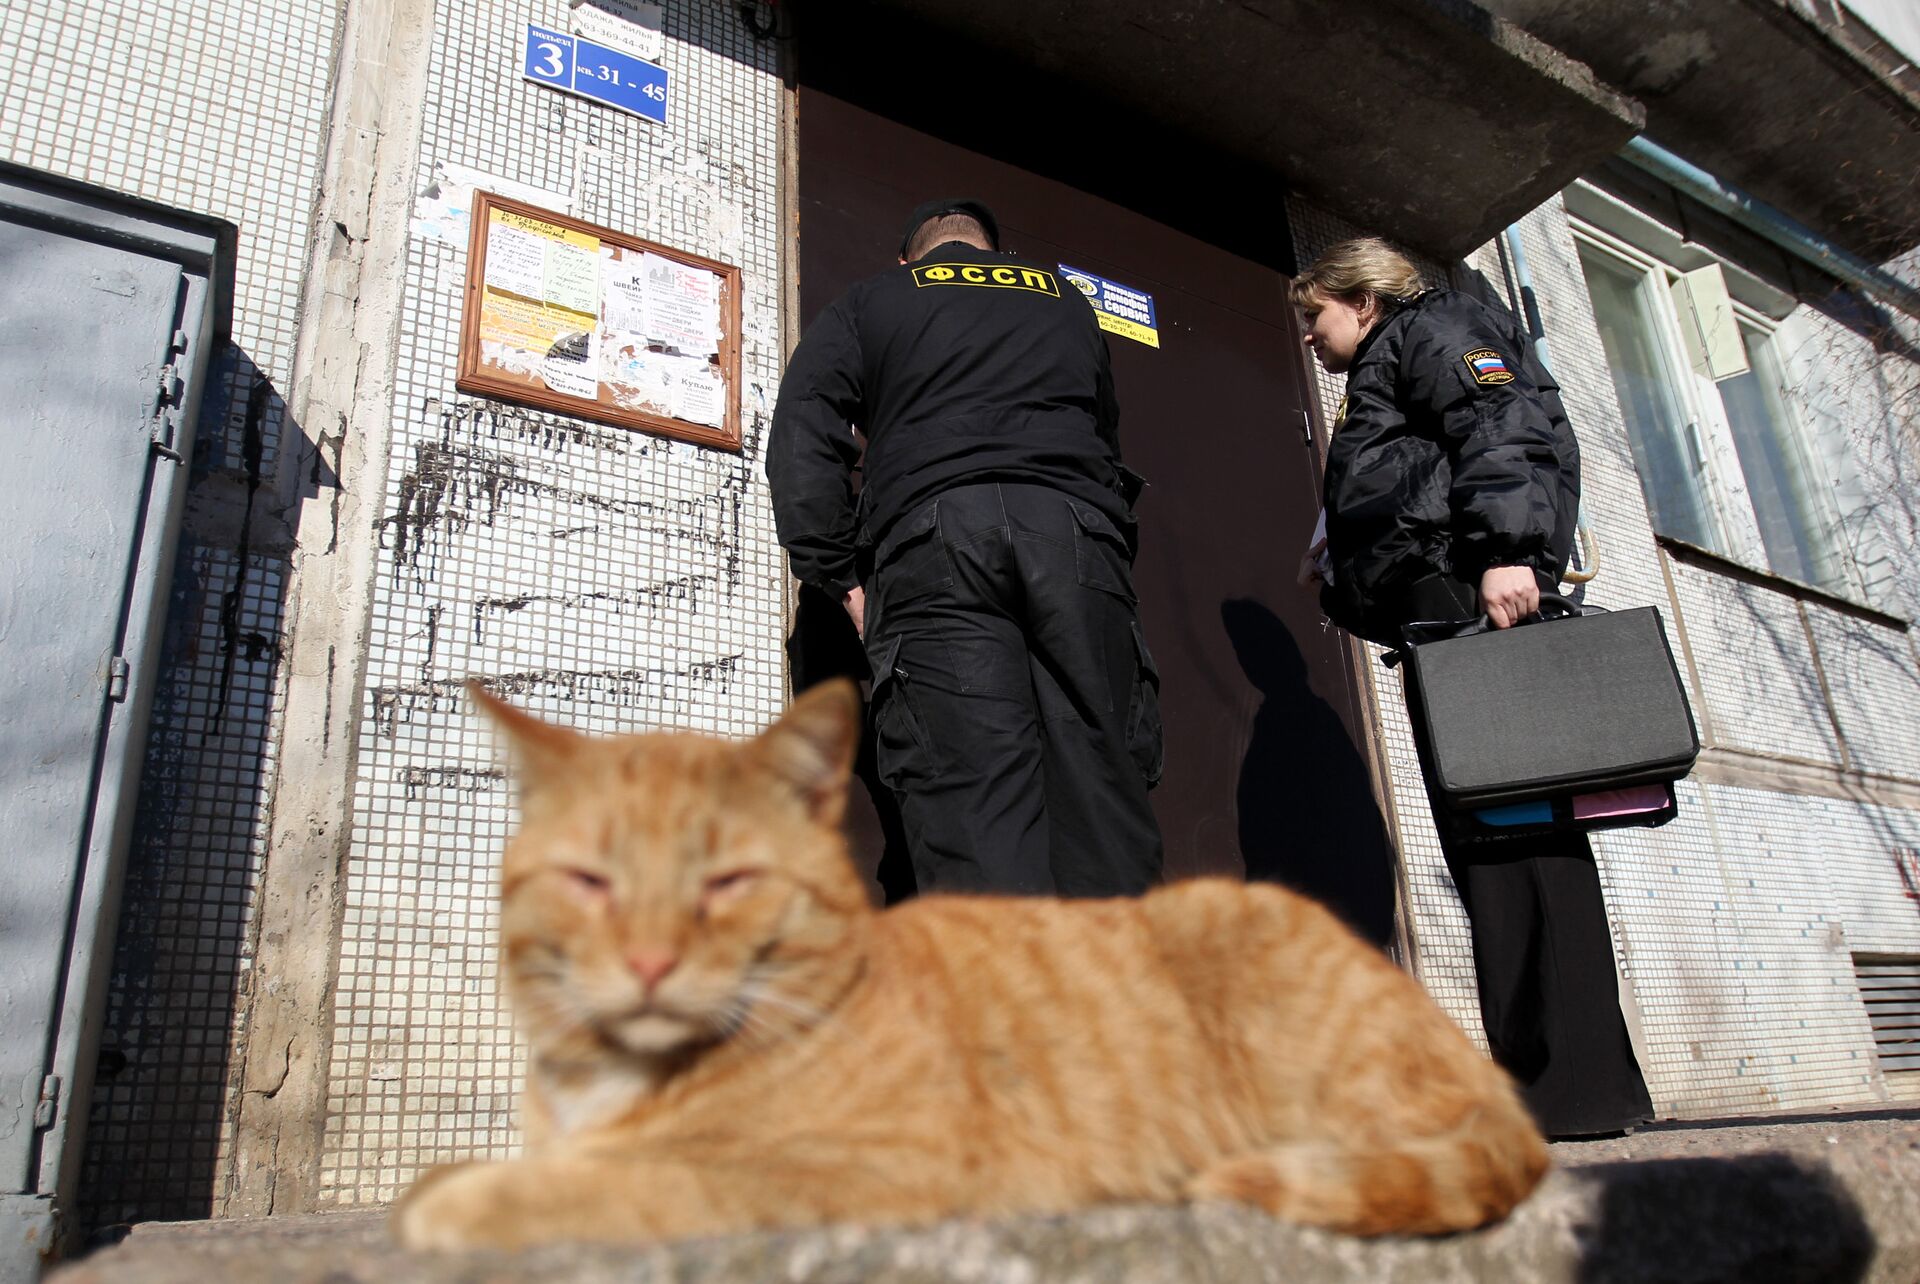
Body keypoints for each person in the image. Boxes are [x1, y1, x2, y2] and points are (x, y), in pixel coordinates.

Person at [1295, 236, 1654, 1139]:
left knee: (1518, 841)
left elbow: (1504, 428)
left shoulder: (1437, 327)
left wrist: (1505, 553)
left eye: (1316, 314)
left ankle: (1562, 1090)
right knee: (1497, 840)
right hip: (1443, 619)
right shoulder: (1389, 364)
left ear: (1364, 300)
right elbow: (1414, 485)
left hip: (1472, 611)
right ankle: (1573, 1083)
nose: (1308, 335)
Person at [767, 198, 1164, 897]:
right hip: (1076, 537)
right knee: (1102, 780)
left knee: (974, 800)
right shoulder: (1066, 302)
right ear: (992, 253)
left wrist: (841, 575)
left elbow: (803, 431)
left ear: (909, 258)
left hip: (935, 542)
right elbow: (1106, 439)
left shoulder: (875, 299)